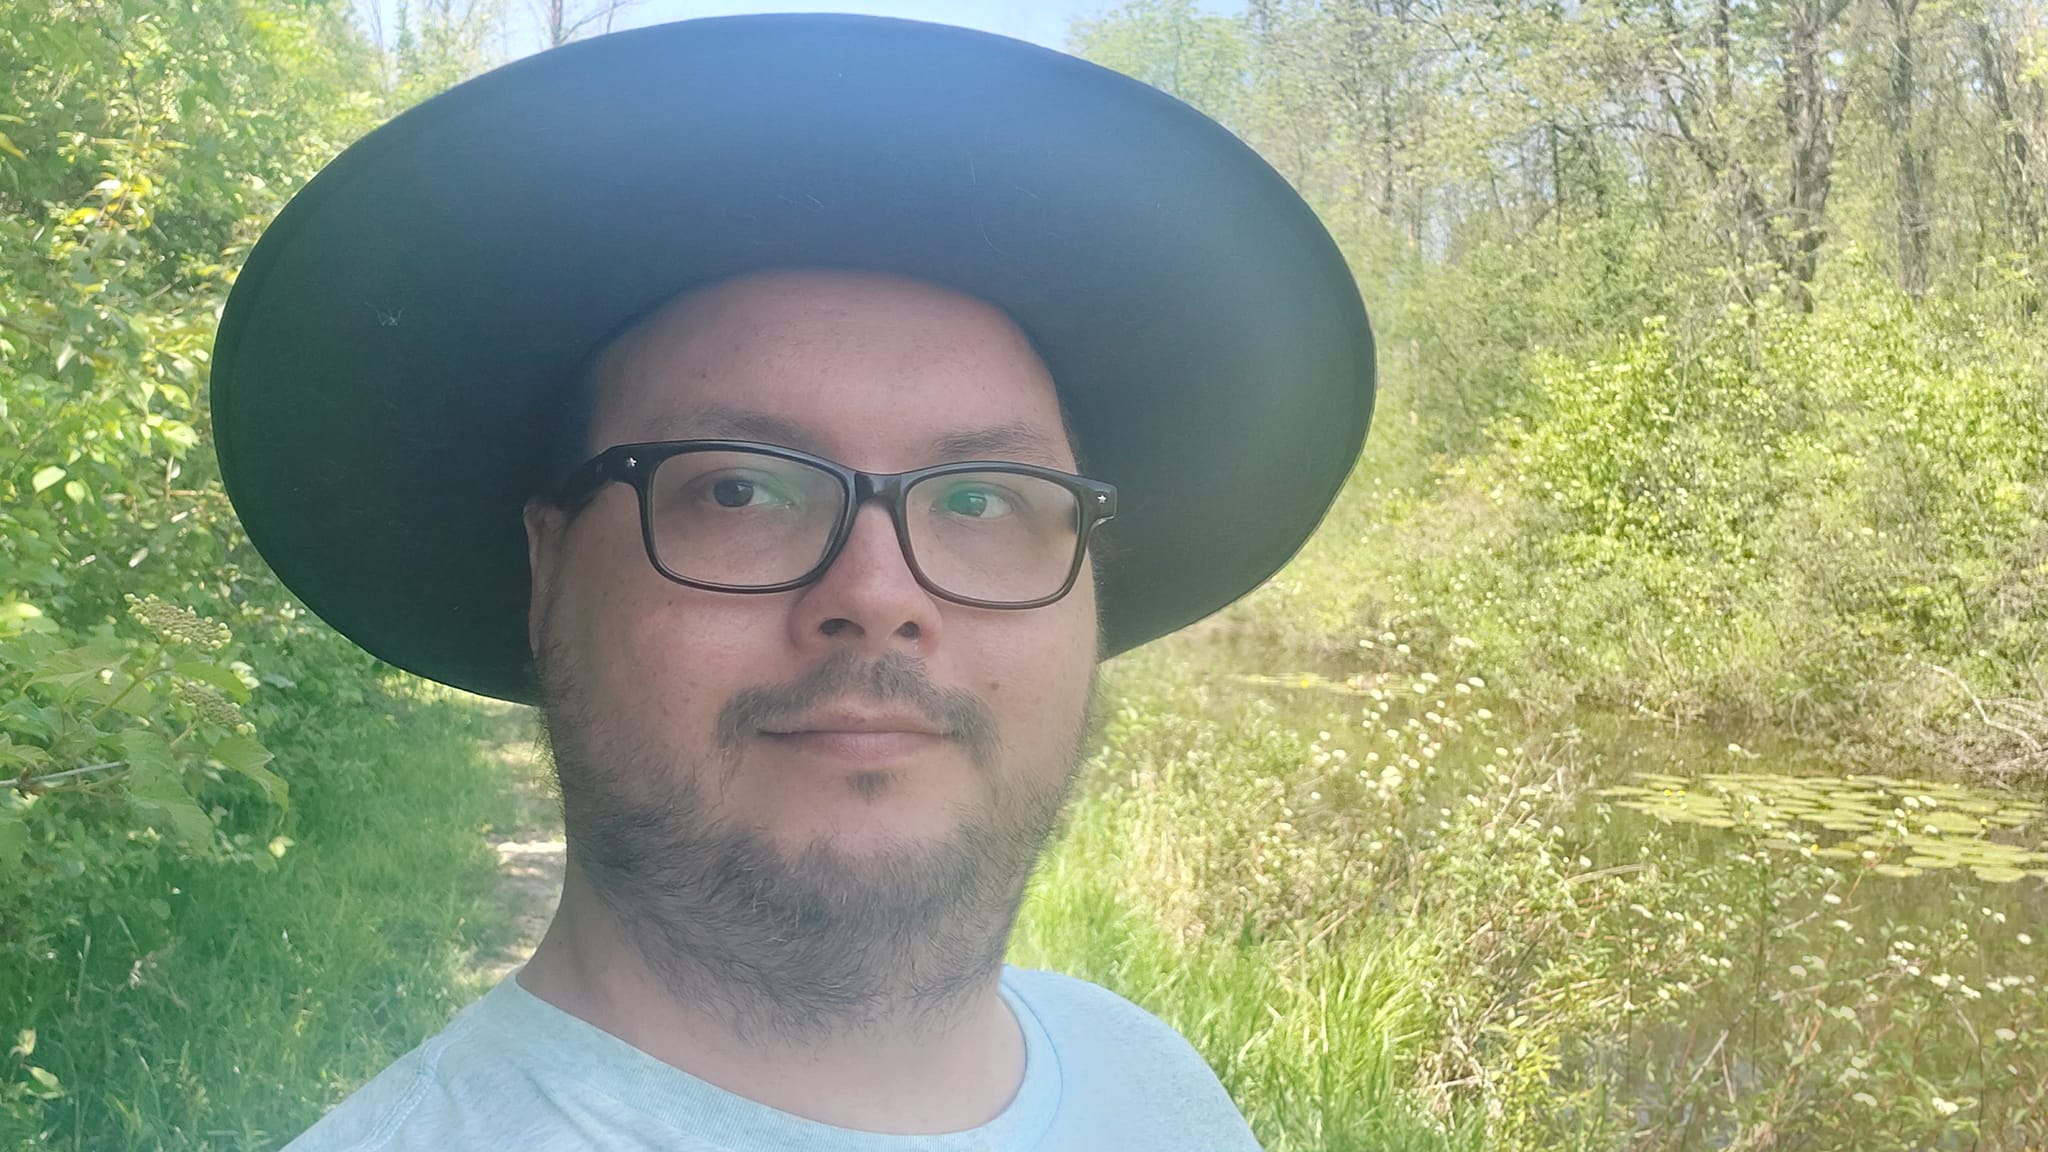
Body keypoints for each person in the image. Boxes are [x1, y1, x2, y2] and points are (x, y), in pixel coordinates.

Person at [210, 13, 1374, 1151]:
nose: (877, 593)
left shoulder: (1150, 1073)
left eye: (981, 499)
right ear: (549, 566)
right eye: (738, 491)